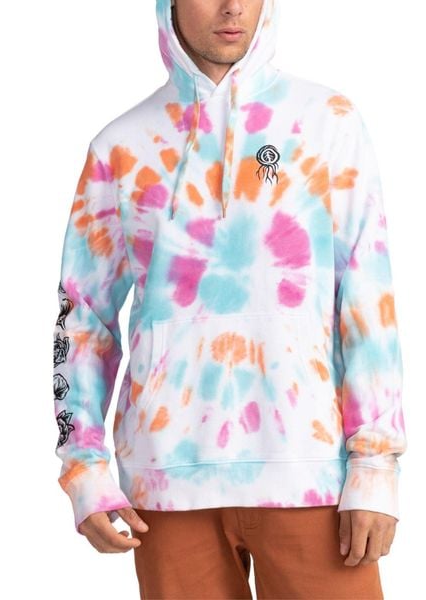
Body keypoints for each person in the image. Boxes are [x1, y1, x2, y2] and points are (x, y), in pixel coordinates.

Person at [52, 0, 407, 597]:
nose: (233, 6)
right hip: (166, 483)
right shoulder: (121, 146)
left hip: (310, 472)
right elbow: (83, 316)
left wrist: (375, 465)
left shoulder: (327, 123)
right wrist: (83, 469)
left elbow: (367, 298)